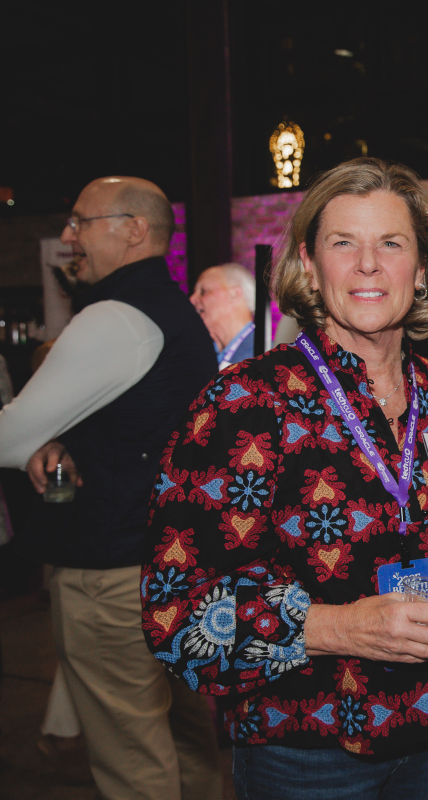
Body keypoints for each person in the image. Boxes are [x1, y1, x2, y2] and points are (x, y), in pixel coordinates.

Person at [141, 157, 428, 800]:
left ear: (424, 265)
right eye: (343, 243)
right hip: (304, 750)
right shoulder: (244, 404)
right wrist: (338, 627)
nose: (368, 264)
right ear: (308, 262)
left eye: (391, 243)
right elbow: (174, 613)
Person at [0, 176, 222, 800]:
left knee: (132, 760)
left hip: (112, 574)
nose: (68, 238)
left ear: (134, 230)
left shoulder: (115, 316)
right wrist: (61, 439)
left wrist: (36, 439)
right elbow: (135, 428)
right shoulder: (171, 312)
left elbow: (10, 435)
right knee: (183, 741)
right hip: (168, 563)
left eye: (80, 222)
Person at [191, 262, 257, 368]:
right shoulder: (198, 353)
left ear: (234, 294)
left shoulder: (262, 355)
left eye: (203, 291)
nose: (192, 299)